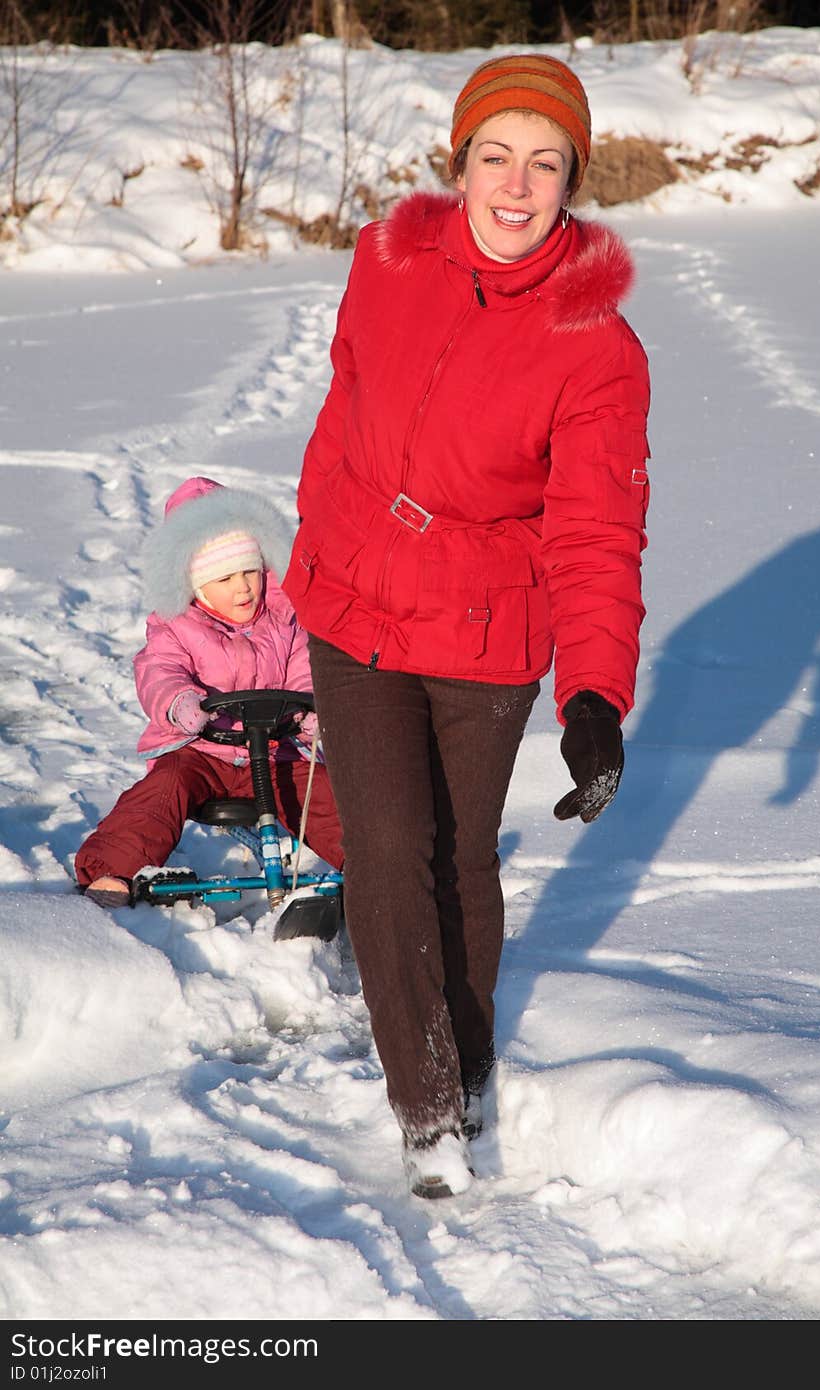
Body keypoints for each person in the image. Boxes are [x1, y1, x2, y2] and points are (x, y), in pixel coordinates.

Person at [283, 54, 651, 1199]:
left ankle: (475, 1060)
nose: (516, 181)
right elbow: (342, 403)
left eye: (545, 162)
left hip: (489, 625)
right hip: (353, 600)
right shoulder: (386, 261)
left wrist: (594, 692)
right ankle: (430, 1106)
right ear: (459, 162)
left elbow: (597, 532)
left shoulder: (596, 344)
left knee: (460, 863)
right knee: (388, 851)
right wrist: (325, 521)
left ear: (571, 181)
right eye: (495, 153)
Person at [75, 476, 344, 908]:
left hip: (278, 752)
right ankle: (110, 869)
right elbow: (159, 670)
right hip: (202, 751)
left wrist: (310, 712)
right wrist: (179, 702)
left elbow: (305, 671)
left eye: (250, 572)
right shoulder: (176, 627)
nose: (243, 588)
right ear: (198, 587)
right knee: (162, 791)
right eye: (226, 579)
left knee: (331, 797)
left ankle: (377, 872)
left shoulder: (284, 619)